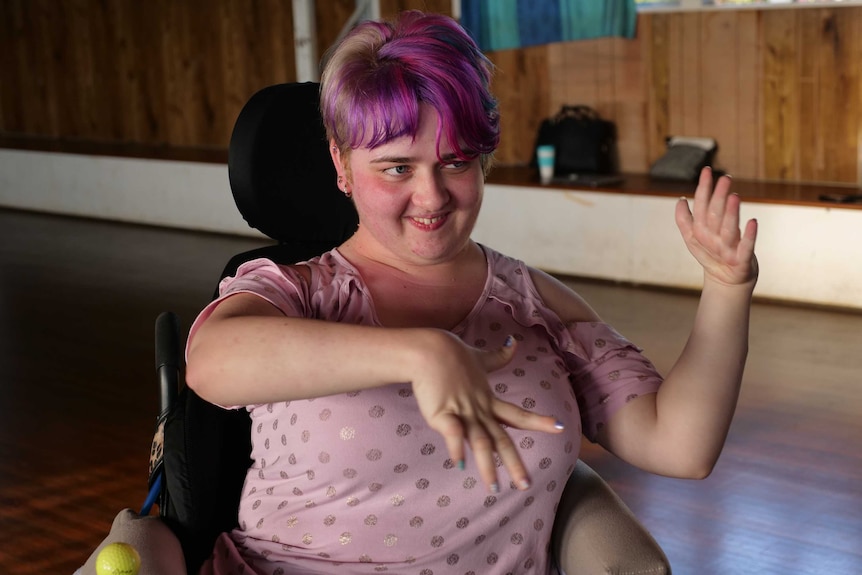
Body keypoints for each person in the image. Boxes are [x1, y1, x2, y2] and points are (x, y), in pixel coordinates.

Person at [183, 10, 758, 575]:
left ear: (483, 159)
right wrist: (425, 352)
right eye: (397, 168)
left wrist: (727, 288)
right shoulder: (295, 290)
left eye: (454, 162)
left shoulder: (532, 303)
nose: (432, 197)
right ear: (341, 164)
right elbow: (212, 361)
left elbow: (680, 445)